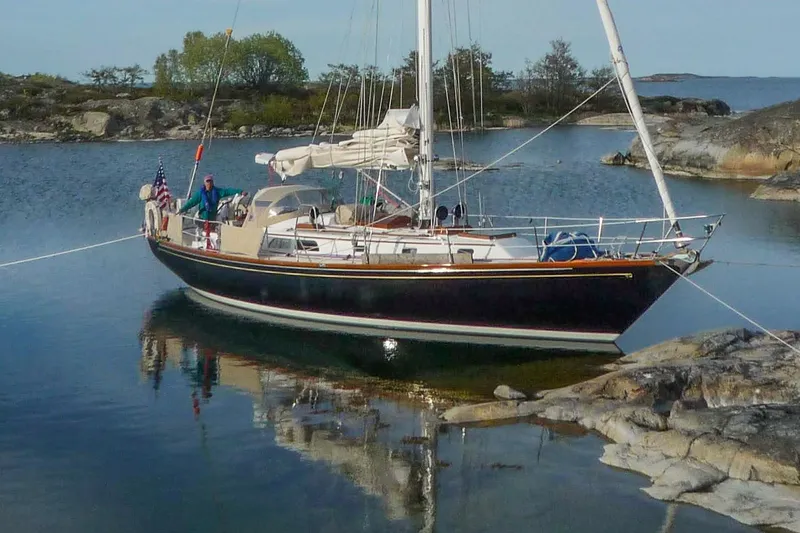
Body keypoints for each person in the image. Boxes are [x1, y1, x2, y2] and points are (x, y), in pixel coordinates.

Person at [179, 175, 245, 224]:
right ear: (204, 183)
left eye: (210, 181)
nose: (209, 183)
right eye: (207, 181)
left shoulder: (218, 192)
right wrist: (182, 210)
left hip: (213, 217)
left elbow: (228, 191)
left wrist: (240, 191)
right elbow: (191, 203)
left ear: (213, 182)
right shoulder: (200, 194)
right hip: (202, 218)